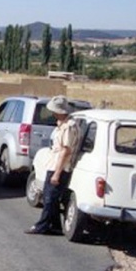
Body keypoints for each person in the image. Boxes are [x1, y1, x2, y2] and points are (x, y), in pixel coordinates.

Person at [25, 95, 79, 235]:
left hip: (59, 167)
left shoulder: (68, 127)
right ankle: (54, 225)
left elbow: (66, 150)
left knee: (49, 198)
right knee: (51, 198)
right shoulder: (62, 125)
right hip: (54, 164)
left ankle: (42, 225)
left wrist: (57, 173)